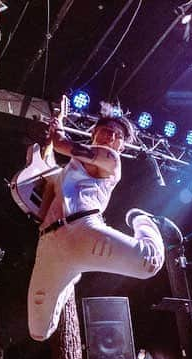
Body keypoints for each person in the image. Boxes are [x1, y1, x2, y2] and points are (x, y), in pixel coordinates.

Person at [26, 109, 166, 341]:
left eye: (118, 136)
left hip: (84, 230)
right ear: (94, 133)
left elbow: (61, 143)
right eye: (107, 131)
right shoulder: (64, 173)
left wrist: (59, 123)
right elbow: (41, 205)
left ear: (121, 146)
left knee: (148, 263)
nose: (112, 137)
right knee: (38, 332)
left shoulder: (110, 159)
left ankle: (143, 220)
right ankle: (70, 275)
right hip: (50, 243)